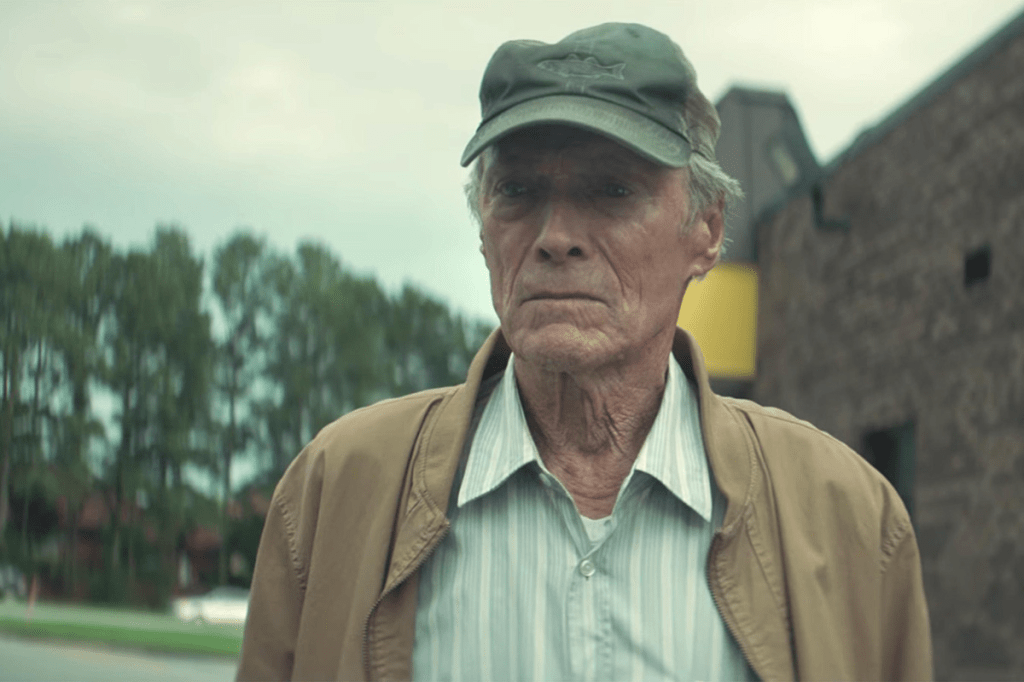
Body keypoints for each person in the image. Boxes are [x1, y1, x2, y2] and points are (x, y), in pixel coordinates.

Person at [237, 23, 932, 681]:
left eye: (612, 190)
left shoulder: (849, 521)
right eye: (517, 190)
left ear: (706, 229)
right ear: (483, 230)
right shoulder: (336, 493)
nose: (556, 236)